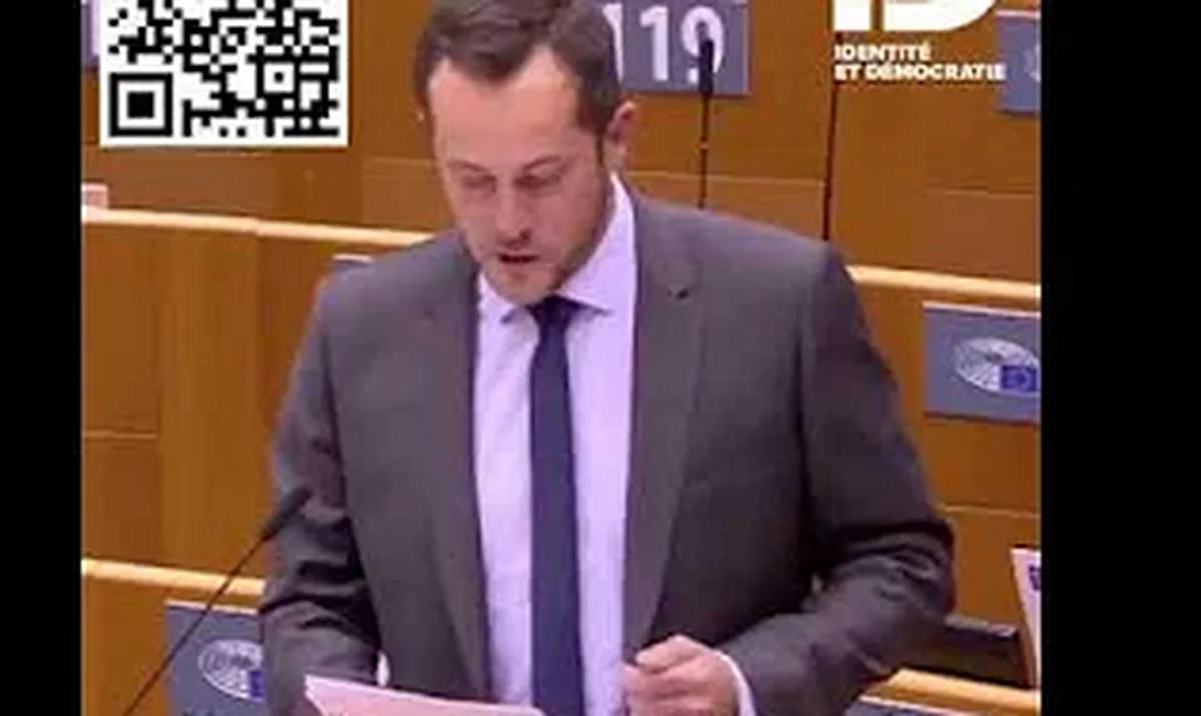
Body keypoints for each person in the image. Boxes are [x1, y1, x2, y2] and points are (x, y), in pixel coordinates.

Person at [258, 1, 955, 714]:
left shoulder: (779, 305)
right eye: (472, 180)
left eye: (541, 179)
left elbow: (901, 560)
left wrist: (747, 681)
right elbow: (310, 600)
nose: (507, 223)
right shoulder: (362, 328)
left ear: (617, 136)